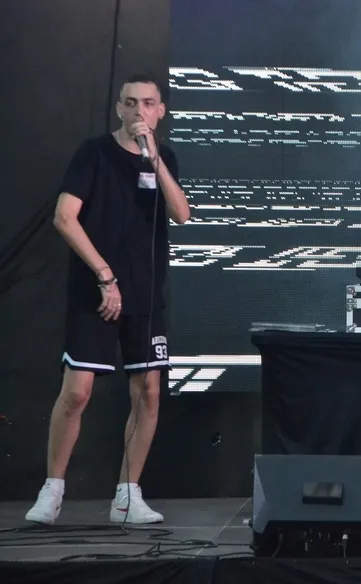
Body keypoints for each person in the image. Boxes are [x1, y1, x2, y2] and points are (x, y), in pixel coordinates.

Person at [25, 73, 191, 525]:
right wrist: (104, 274)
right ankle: (52, 490)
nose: (139, 111)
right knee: (77, 392)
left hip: (144, 293)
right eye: (131, 103)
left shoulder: (164, 157)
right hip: (97, 292)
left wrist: (154, 158)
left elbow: (181, 213)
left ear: (160, 111)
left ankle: (127, 496)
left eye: (148, 103)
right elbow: (65, 217)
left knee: (149, 393)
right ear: (118, 108)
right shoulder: (93, 153)